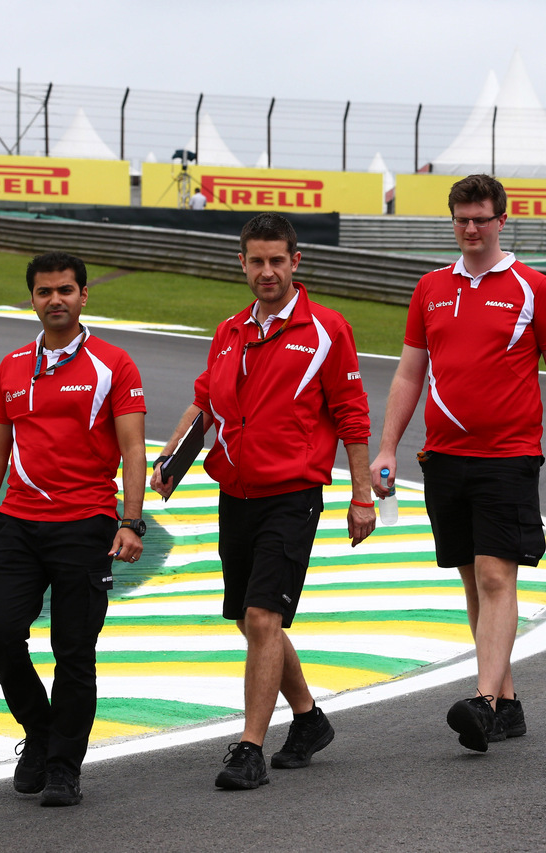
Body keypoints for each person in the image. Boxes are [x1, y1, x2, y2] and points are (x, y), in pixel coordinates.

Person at [150, 212, 375, 790]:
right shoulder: (229, 331)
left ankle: (249, 746)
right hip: (235, 491)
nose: (267, 271)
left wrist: (361, 496)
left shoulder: (327, 329)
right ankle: (308, 719)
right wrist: (171, 458)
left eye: (278, 260)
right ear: (242, 263)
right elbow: (205, 405)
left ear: (296, 262)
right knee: (256, 624)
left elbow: (351, 415)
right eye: (257, 261)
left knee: (262, 616)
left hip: (292, 493)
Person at [369, 174, 546, 753]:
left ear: (501, 221)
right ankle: (508, 700)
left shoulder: (534, 288)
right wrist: (388, 446)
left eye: (481, 219)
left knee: (496, 576)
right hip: (443, 457)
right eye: (461, 219)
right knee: (473, 580)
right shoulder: (430, 288)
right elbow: (409, 373)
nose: (471, 229)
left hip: (508, 456)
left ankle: (484, 702)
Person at [0, 251, 147, 807]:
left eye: (66, 290)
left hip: (85, 524)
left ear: (84, 296)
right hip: (16, 524)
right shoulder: (12, 365)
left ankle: (64, 766)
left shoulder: (115, 363)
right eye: (45, 292)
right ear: (33, 299)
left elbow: (133, 446)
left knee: (74, 651)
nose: (55, 299)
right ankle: (40, 734)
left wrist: (130, 520)